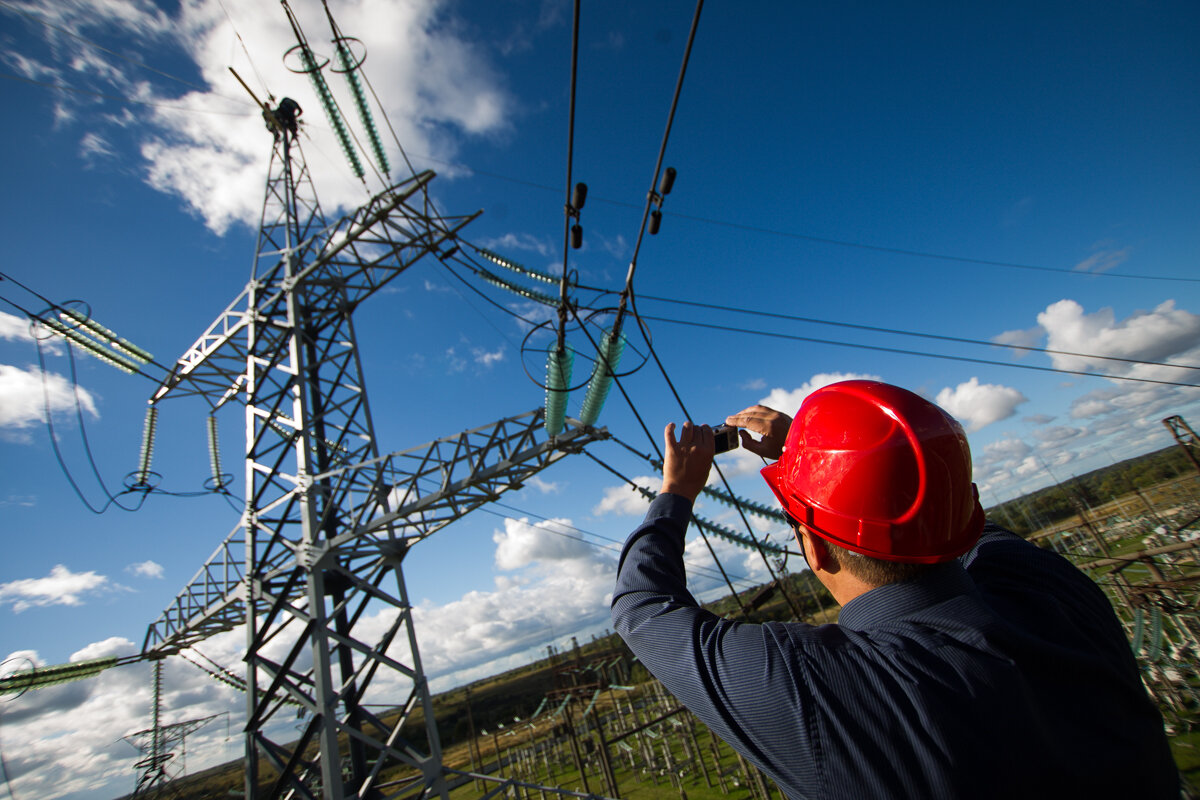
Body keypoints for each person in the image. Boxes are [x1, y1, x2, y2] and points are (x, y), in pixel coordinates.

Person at [611, 380, 1179, 799]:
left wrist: (677, 488)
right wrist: (809, 454)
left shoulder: (809, 687)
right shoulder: (1055, 592)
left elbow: (641, 608)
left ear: (817, 549)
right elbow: (955, 516)